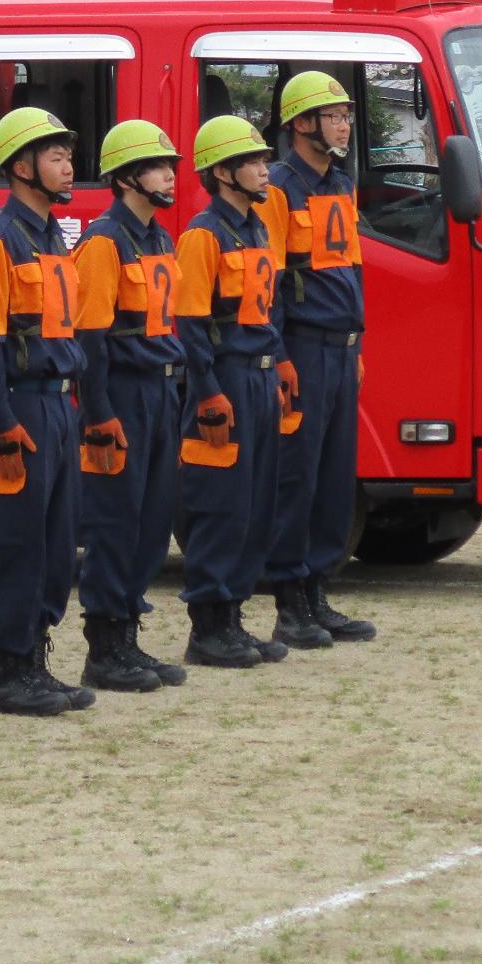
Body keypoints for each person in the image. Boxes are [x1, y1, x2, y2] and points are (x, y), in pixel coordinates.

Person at [0, 106, 93, 717]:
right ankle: (9, 671)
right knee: (17, 544)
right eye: (56, 155)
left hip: (57, 405)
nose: (68, 165)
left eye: (68, 155)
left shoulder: (50, 236)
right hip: (18, 406)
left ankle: (35, 658)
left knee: (56, 545)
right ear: (21, 166)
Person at [72, 120, 189, 693]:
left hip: (161, 391)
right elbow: (89, 336)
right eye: (157, 165)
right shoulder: (103, 241)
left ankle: (129, 637)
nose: (170, 173)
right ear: (125, 178)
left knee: (151, 520)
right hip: (121, 391)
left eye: (171, 164)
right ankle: (104, 647)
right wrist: (98, 413)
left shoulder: (160, 238)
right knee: (115, 521)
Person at [265, 73, 378, 646]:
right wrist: (279, 355)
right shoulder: (279, 189)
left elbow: (350, 265)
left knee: (335, 477)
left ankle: (318, 592)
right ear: (302, 123)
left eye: (345, 114)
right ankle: (290, 602)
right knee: (297, 475)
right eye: (332, 115)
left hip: (340, 348)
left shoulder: (340, 183)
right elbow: (272, 281)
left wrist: (358, 339)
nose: (343, 123)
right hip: (302, 349)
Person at [174, 116, 291, 668]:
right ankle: (208, 626)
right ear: (223, 172)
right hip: (227, 380)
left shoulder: (256, 227)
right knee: (220, 504)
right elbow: (191, 323)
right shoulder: (204, 233)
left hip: (261, 376)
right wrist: (207, 394)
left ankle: (234, 618)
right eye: (253, 161)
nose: (264, 169)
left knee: (254, 504)